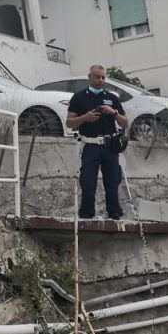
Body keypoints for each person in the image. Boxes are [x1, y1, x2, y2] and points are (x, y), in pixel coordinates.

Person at [65, 65, 127, 220]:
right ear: (90, 77)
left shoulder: (111, 98)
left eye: (103, 77)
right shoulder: (79, 97)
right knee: (88, 183)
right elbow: (69, 123)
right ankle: (87, 215)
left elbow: (125, 122)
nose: (101, 80)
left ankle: (114, 214)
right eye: (98, 77)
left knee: (112, 183)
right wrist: (85, 118)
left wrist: (112, 112)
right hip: (90, 145)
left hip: (110, 145)